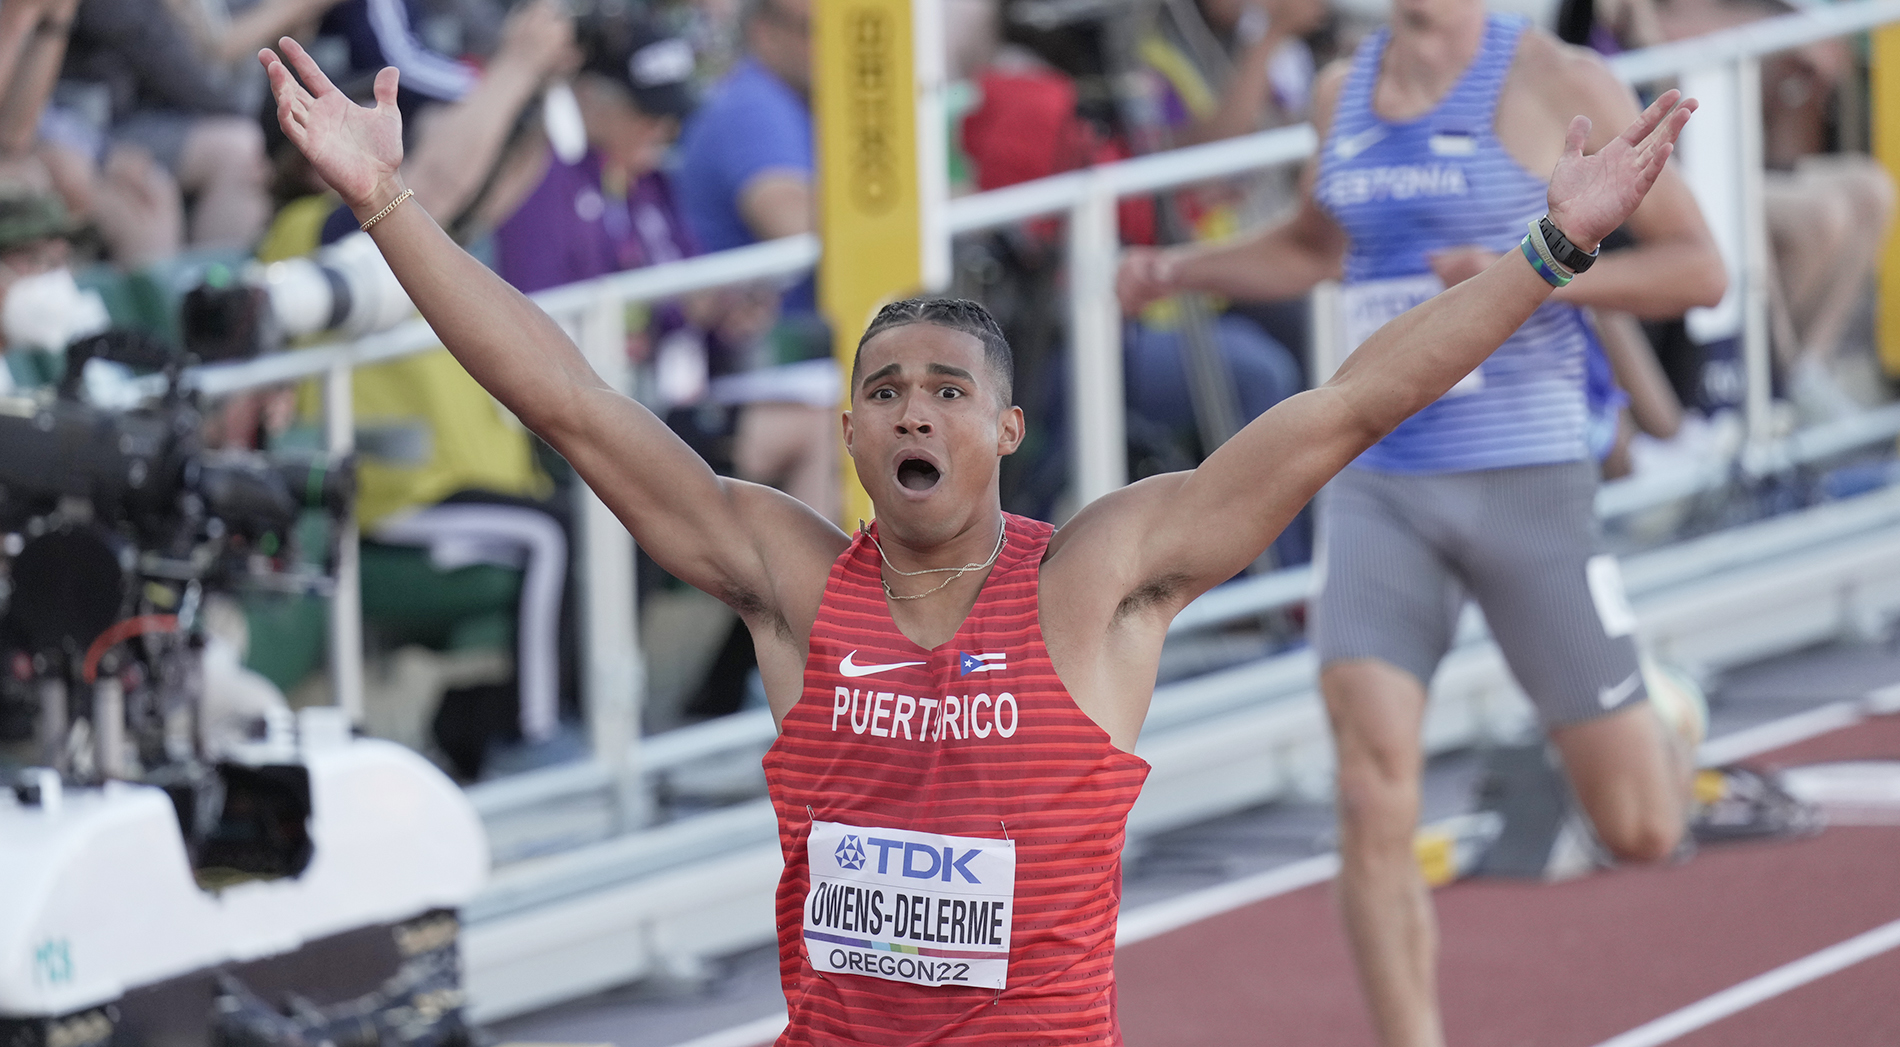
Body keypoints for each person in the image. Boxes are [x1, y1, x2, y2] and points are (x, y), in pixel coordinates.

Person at [259, 32, 1692, 1045]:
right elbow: (570, 400)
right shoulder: (791, 579)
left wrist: (1549, 255)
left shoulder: (1098, 578)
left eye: (948, 388)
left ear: (1007, 432)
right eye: (884, 391)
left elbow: (1347, 404)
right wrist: (388, 205)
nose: (912, 411)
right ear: (853, 435)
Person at [1116, 3, 1724, 1044]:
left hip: (1527, 478)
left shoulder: (1553, 78)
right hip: (1379, 482)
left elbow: (1697, 269)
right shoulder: (1336, 90)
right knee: (1367, 786)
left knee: (1638, 826)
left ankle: (1657, 708)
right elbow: (1317, 243)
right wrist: (1187, 272)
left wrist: (1543, 269)